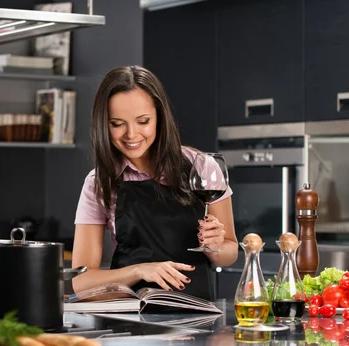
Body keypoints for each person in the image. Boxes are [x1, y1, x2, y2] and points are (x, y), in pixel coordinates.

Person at [71, 66, 238, 301]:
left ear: (160, 116)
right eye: (117, 123)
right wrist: (140, 270)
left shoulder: (202, 166)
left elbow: (230, 253)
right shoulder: (98, 182)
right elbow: (81, 282)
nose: (131, 134)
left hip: (197, 318)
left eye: (143, 121)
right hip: (130, 321)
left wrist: (215, 245)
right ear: (103, 124)